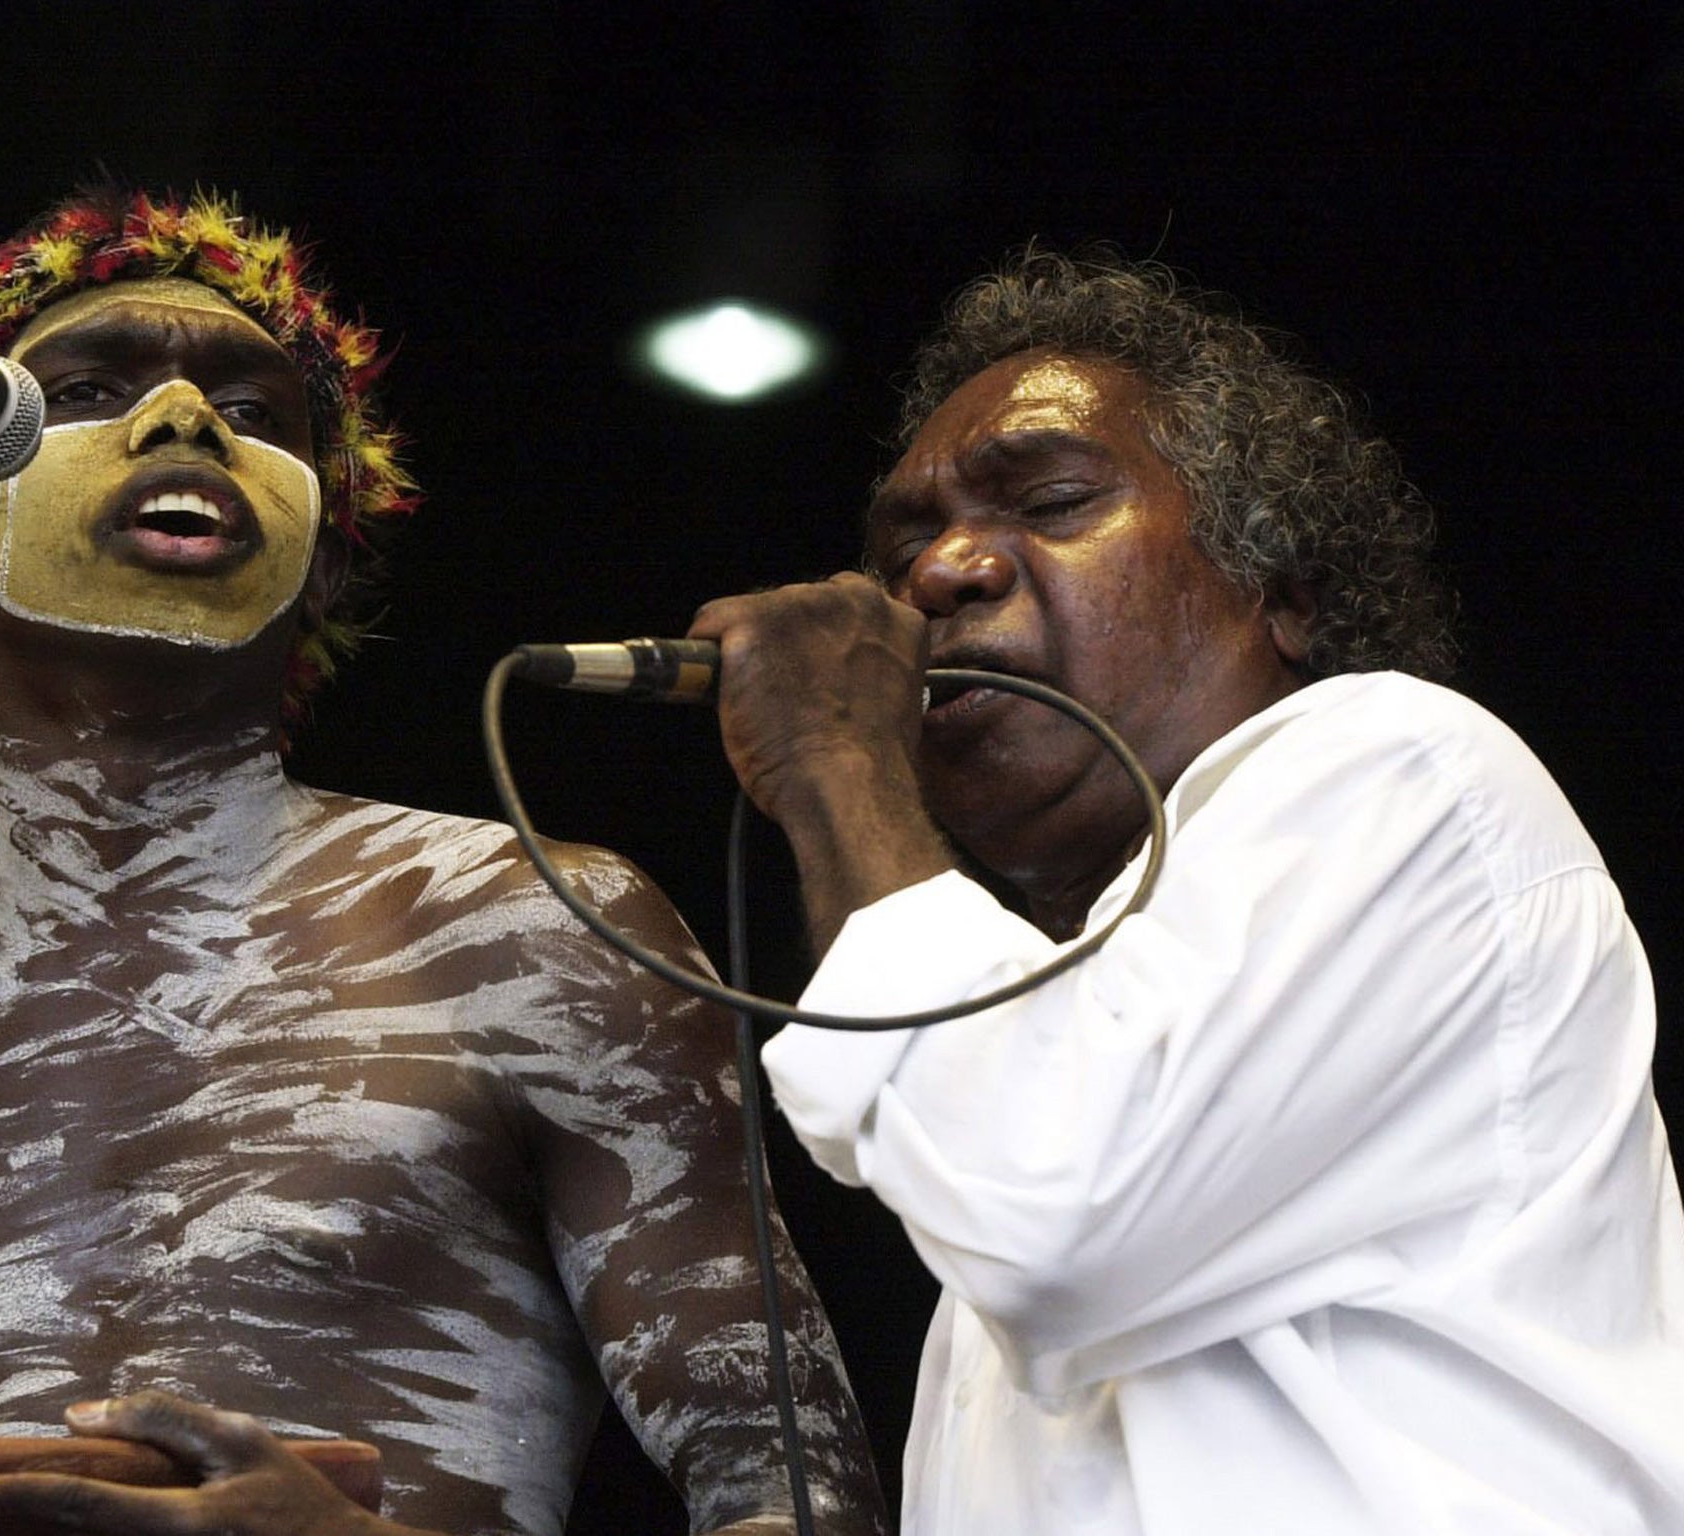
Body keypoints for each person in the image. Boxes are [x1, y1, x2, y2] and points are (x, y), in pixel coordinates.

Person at [0, 189, 885, 1536]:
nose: (184, 421)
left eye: (256, 411)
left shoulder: (525, 929)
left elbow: (806, 1510)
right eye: (91, 388)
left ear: (324, 556)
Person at [688, 247, 1684, 1533]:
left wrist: (832, 760)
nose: (940, 575)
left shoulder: (1403, 765)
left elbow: (1053, 1207)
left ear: (1282, 591)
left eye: (1046, 500)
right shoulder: (1059, 1048)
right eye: (906, 546)